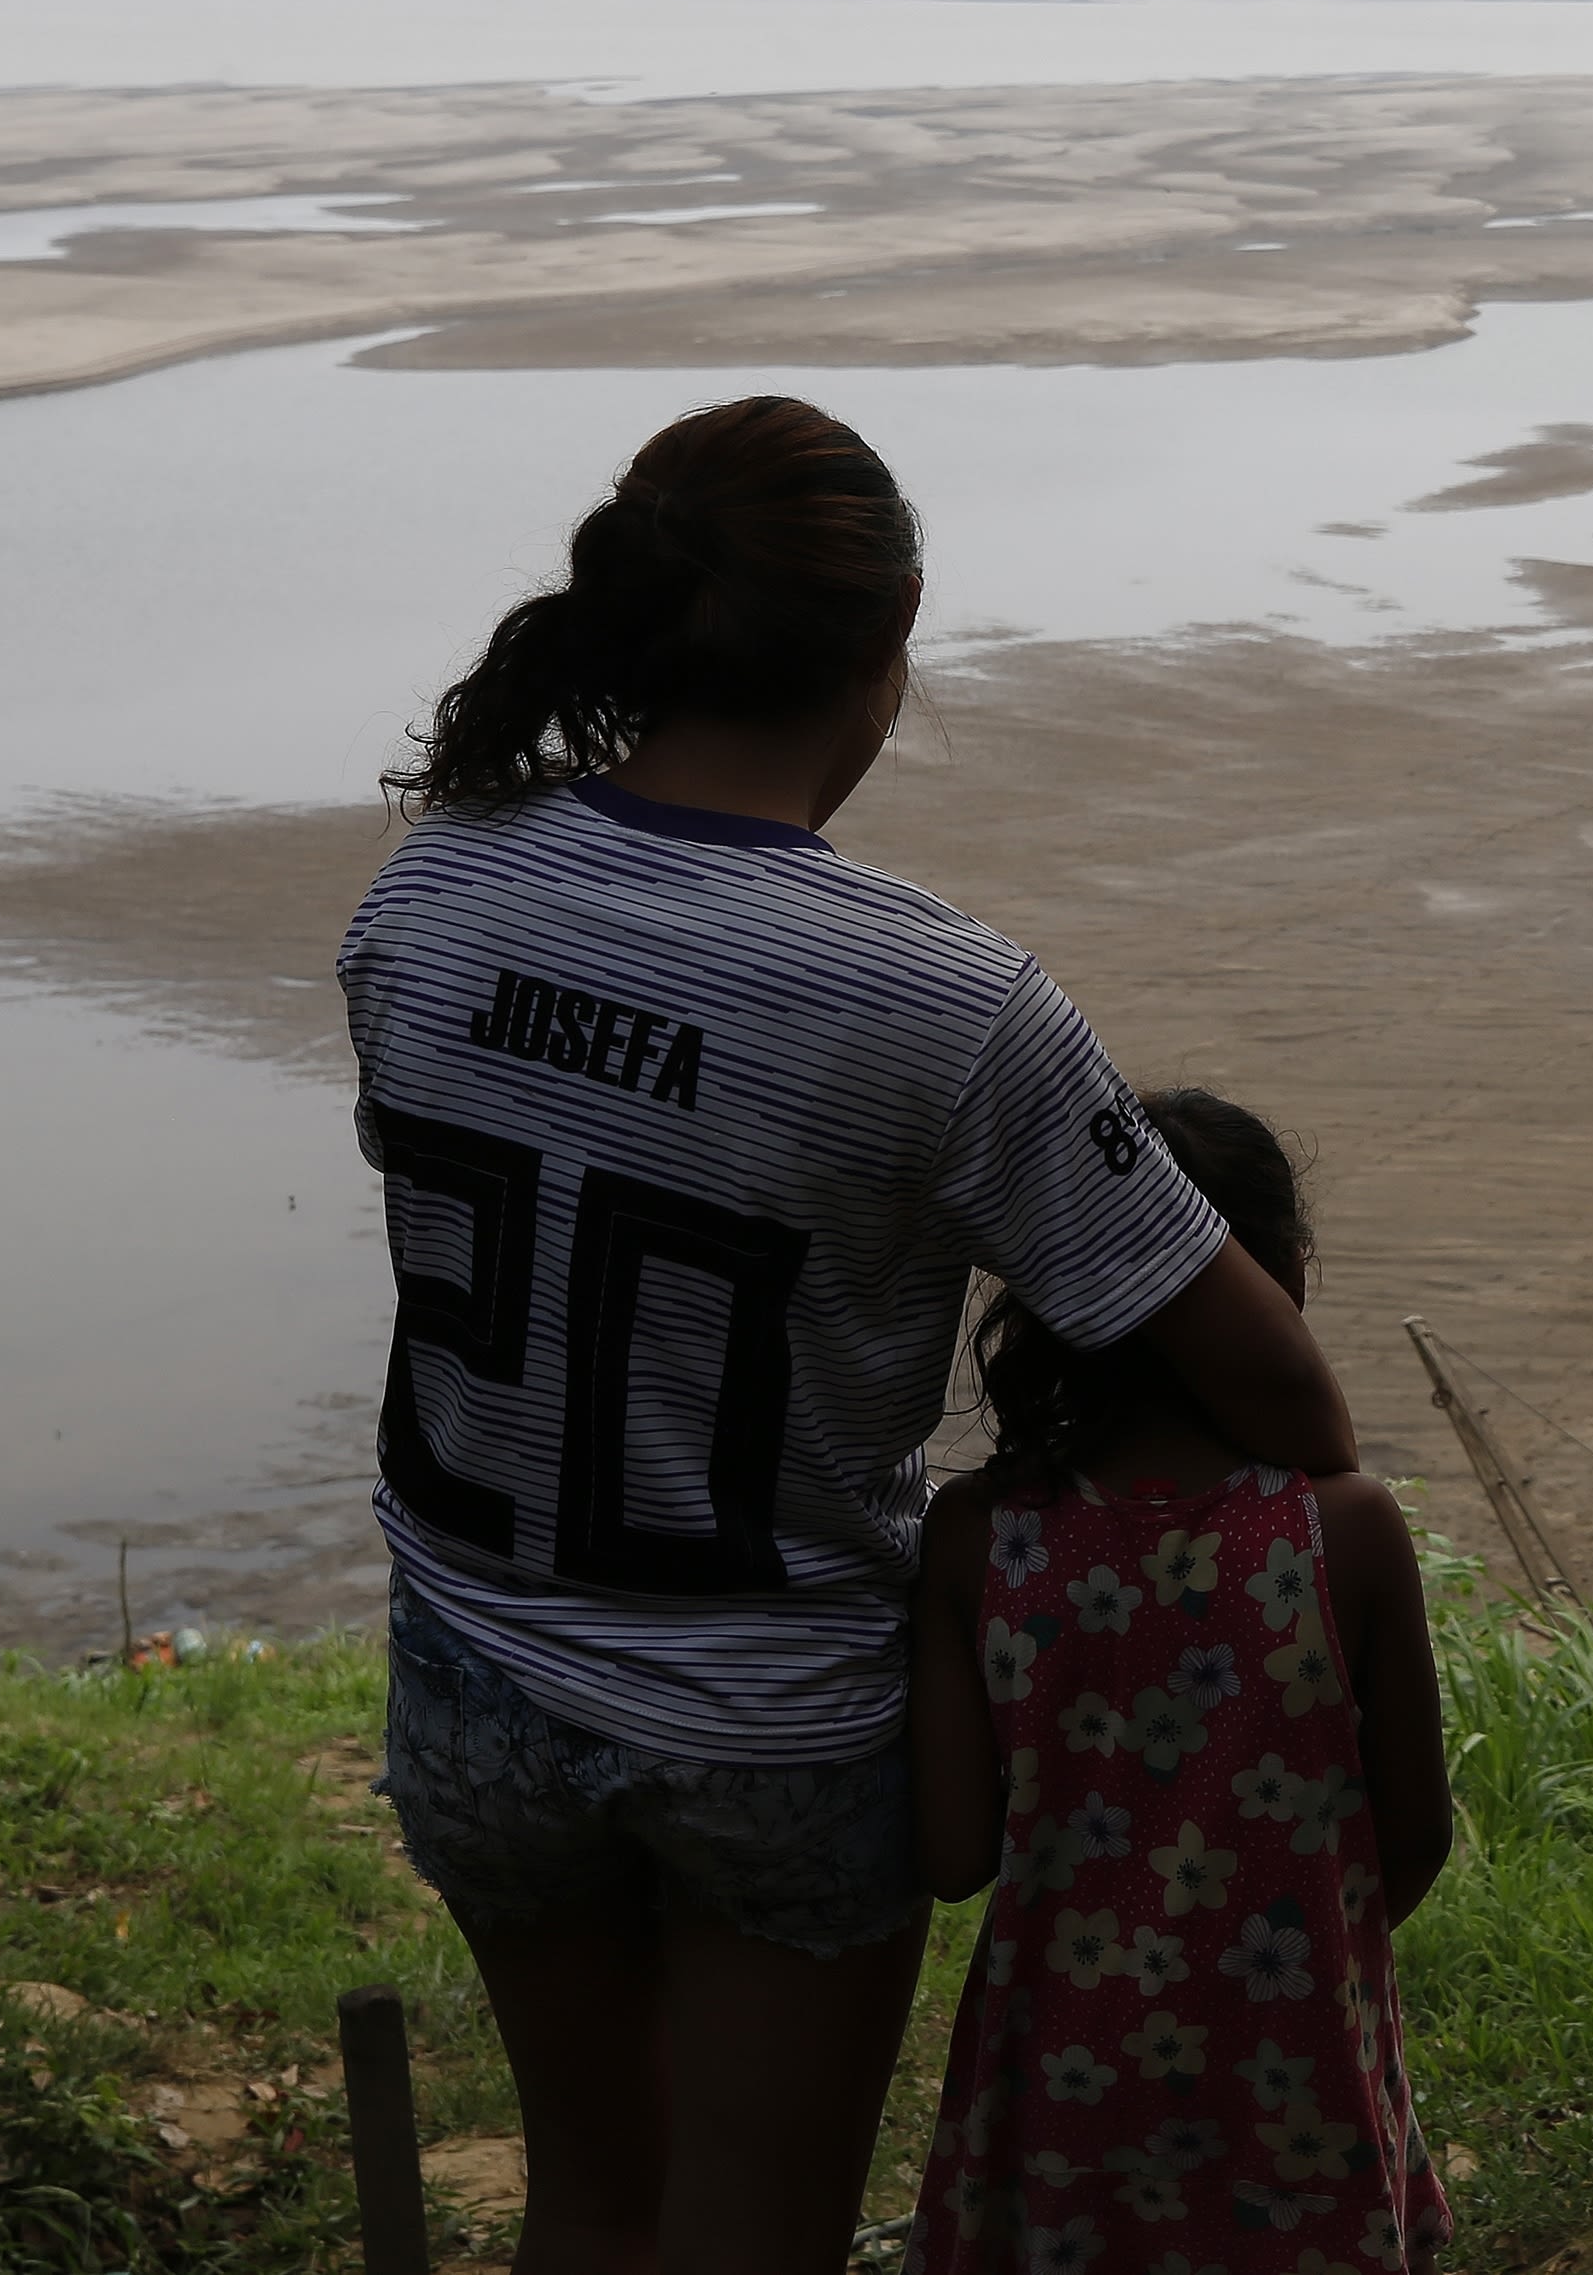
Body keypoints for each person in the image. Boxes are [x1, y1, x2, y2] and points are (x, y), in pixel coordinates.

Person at [341, 397, 1359, 2275]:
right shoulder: (944, 1002)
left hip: (476, 1672)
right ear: (890, 655)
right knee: (752, 2229)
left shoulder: (431, 886)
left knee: (589, 2193)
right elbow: (1285, 1390)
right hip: (773, 1724)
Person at [898, 1086, 1454, 2275]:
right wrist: (1296, 1950)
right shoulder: (1343, 1532)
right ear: (1281, 1285)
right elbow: (1413, 1831)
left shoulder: (976, 1538)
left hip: (1061, 2083)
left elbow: (951, 1855)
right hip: (1289, 2062)